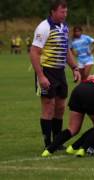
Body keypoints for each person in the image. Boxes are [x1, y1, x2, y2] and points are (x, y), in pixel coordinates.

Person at [29, 0, 81, 149]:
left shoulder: (64, 27)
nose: (64, 14)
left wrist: (74, 68)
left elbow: (66, 50)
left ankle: (57, 142)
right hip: (46, 70)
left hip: (60, 72)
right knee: (48, 106)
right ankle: (48, 143)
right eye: (61, 11)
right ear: (53, 11)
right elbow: (34, 52)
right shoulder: (44, 27)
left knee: (60, 107)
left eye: (66, 12)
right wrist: (41, 76)